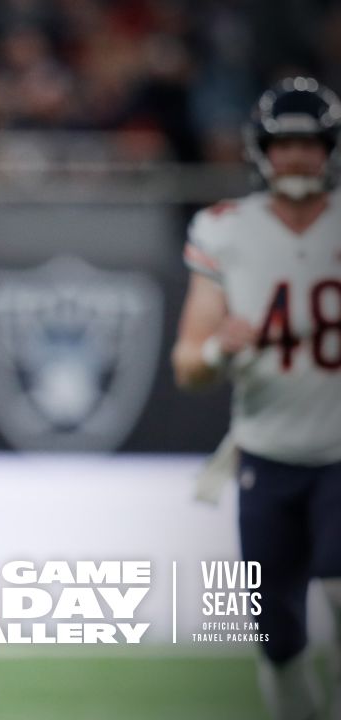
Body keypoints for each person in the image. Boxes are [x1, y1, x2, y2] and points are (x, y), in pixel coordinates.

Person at [173, 76, 341, 720]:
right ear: (262, 151)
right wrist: (221, 349)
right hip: (266, 454)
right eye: (285, 143)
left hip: (337, 453)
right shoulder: (226, 230)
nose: (297, 157)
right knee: (275, 634)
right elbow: (189, 363)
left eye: (310, 143)